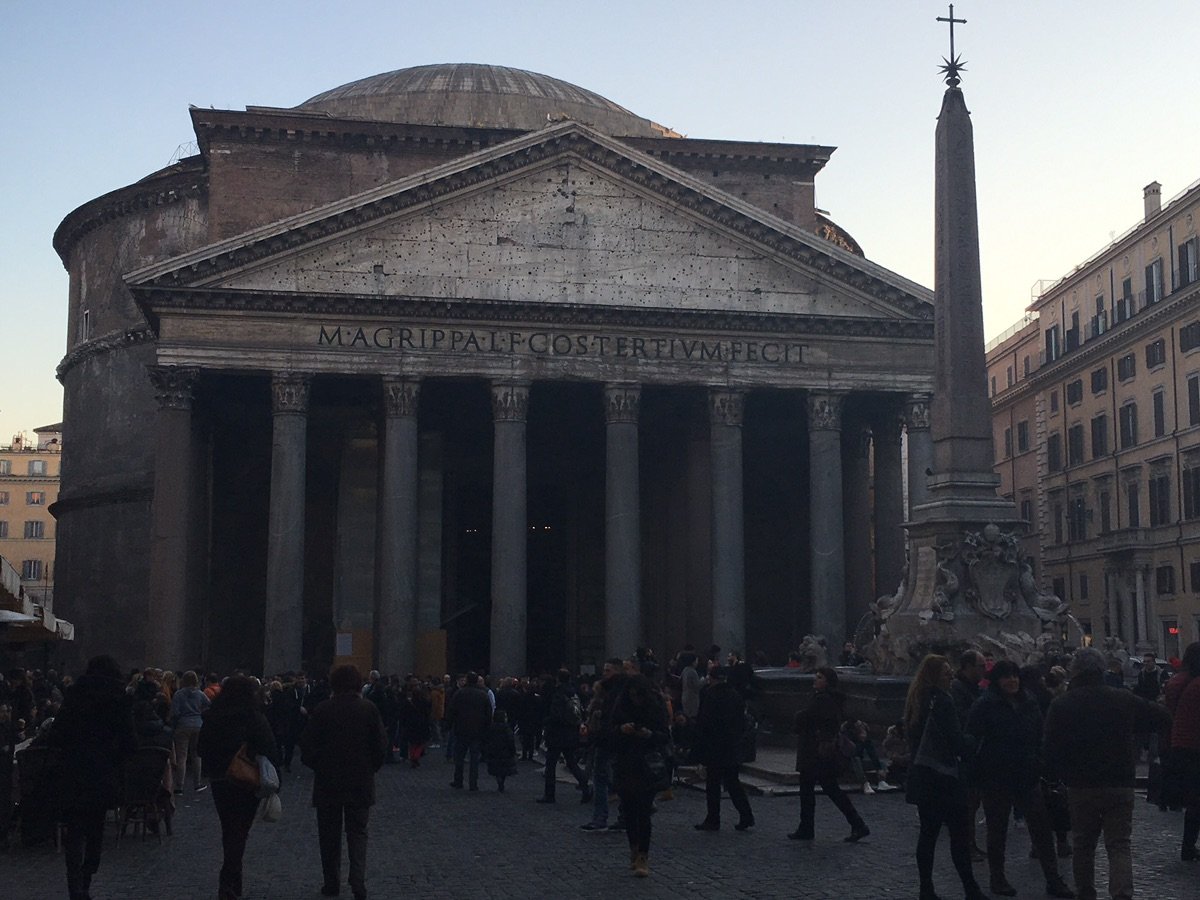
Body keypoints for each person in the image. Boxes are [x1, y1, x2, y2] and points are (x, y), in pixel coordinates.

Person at [1043, 647, 1171, 900]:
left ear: (1075, 671)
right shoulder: (1121, 698)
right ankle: (1121, 894)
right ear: (1101, 670)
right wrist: (1133, 728)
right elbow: (1162, 717)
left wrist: (1058, 774)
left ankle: (1086, 892)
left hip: (1080, 783)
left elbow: (1049, 748)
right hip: (1119, 780)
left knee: (1083, 843)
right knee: (1119, 844)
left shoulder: (1062, 704)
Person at [966, 659, 1074, 897]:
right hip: (996, 776)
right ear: (997, 680)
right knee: (997, 831)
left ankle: (1053, 878)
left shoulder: (1028, 702)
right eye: (1006, 676)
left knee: (1042, 830)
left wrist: (1039, 761)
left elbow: (1039, 734)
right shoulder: (985, 705)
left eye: (1014, 676)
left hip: (1027, 773)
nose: (1012, 680)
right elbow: (973, 739)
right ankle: (998, 878)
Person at [46, 655, 137, 900]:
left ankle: (75, 885)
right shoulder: (120, 700)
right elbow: (130, 742)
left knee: (75, 830)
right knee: (96, 828)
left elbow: (58, 732)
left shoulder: (75, 696)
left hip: (74, 770)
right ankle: (86, 877)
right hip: (104, 771)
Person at [301, 664, 388, 900]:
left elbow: (306, 749)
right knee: (358, 832)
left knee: (329, 835)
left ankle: (331, 883)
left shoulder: (322, 710)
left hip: (328, 782)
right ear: (359, 684)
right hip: (360, 780)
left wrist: (321, 765)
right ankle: (358, 880)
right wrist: (370, 768)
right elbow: (380, 746)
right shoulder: (369, 709)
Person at [903, 654, 987, 900]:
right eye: (946, 672)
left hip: (923, 775)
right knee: (959, 836)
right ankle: (971, 888)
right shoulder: (942, 700)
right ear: (935, 675)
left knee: (928, 835)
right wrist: (974, 739)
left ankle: (926, 888)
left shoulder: (916, 699)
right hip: (945, 778)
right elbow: (957, 741)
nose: (951, 675)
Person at [198, 675, 279, 900]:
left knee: (230, 829)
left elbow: (201, 748)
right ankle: (229, 881)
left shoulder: (214, 716)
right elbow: (270, 748)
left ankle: (233, 881)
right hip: (245, 779)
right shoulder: (253, 716)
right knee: (239, 831)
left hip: (220, 781)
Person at [789, 666, 869, 843]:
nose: (815, 680)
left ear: (827, 681)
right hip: (818, 750)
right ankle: (808, 826)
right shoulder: (829, 699)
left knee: (819, 789)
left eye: (819, 677)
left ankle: (855, 824)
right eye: (815, 676)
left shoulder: (823, 700)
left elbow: (808, 718)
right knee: (822, 789)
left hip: (815, 750)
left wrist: (800, 717)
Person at [605, 674, 671, 877]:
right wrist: (621, 730)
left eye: (638, 695)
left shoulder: (655, 707)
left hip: (647, 765)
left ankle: (643, 855)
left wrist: (649, 735)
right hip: (626, 764)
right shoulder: (620, 707)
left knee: (643, 812)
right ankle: (634, 848)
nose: (635, 698)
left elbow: (665, 736)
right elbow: (608, 734)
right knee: (629, 812)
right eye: (632, 695)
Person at [692, 666, 754, 831]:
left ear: (711, 678)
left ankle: (713, 819)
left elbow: (704, 722)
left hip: (714, 746)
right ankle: (746, 815)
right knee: (733, 783)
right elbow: (741, 722)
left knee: (713, 784)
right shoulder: (735, 695)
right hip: (731, 745)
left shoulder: (710, 695)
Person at [1163, 641, 1200, 862]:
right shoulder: (1196, 685)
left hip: (1180, 745)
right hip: (1194, 746)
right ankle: (1188, 847)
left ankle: (1188, 846)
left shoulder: (1178, 682)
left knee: (1195, 801)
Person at [538, 668, 589, 804]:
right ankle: (586, 788)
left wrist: (546, 722)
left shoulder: (558, 693)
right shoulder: (574, 692)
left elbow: (556, 715)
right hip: (571, 732)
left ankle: (549, 794)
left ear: (558, 679)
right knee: (572, 763)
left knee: (551, 764)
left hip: (556, 733)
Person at [446, 671, 490, 790]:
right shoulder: (483, 695)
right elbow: (488, 713)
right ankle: (473, 783)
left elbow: (451, 710)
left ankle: (458, 780)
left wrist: (449, 725)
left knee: (459, 757)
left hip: (461, 729)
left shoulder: (459, 693)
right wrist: (487, 729)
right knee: (474, 758)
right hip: (477, 730)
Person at [169, 670, 210, 794]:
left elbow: (175, 712)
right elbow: (209, 704)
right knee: (196, 755)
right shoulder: (200, 694)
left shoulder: (179, 694)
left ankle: (179, 786)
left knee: (182, 756)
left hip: (183, 725)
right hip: (198, 725)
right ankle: (197, 784)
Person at [484, 709, 518, 792]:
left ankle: (499, 780)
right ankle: (501, 781)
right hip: (505, 752)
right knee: (503, 769)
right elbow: (510, 740)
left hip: (494, 751)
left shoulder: (491, 728)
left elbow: (486, 739)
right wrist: (513, 750)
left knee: (496, 768)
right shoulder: (507, 728)